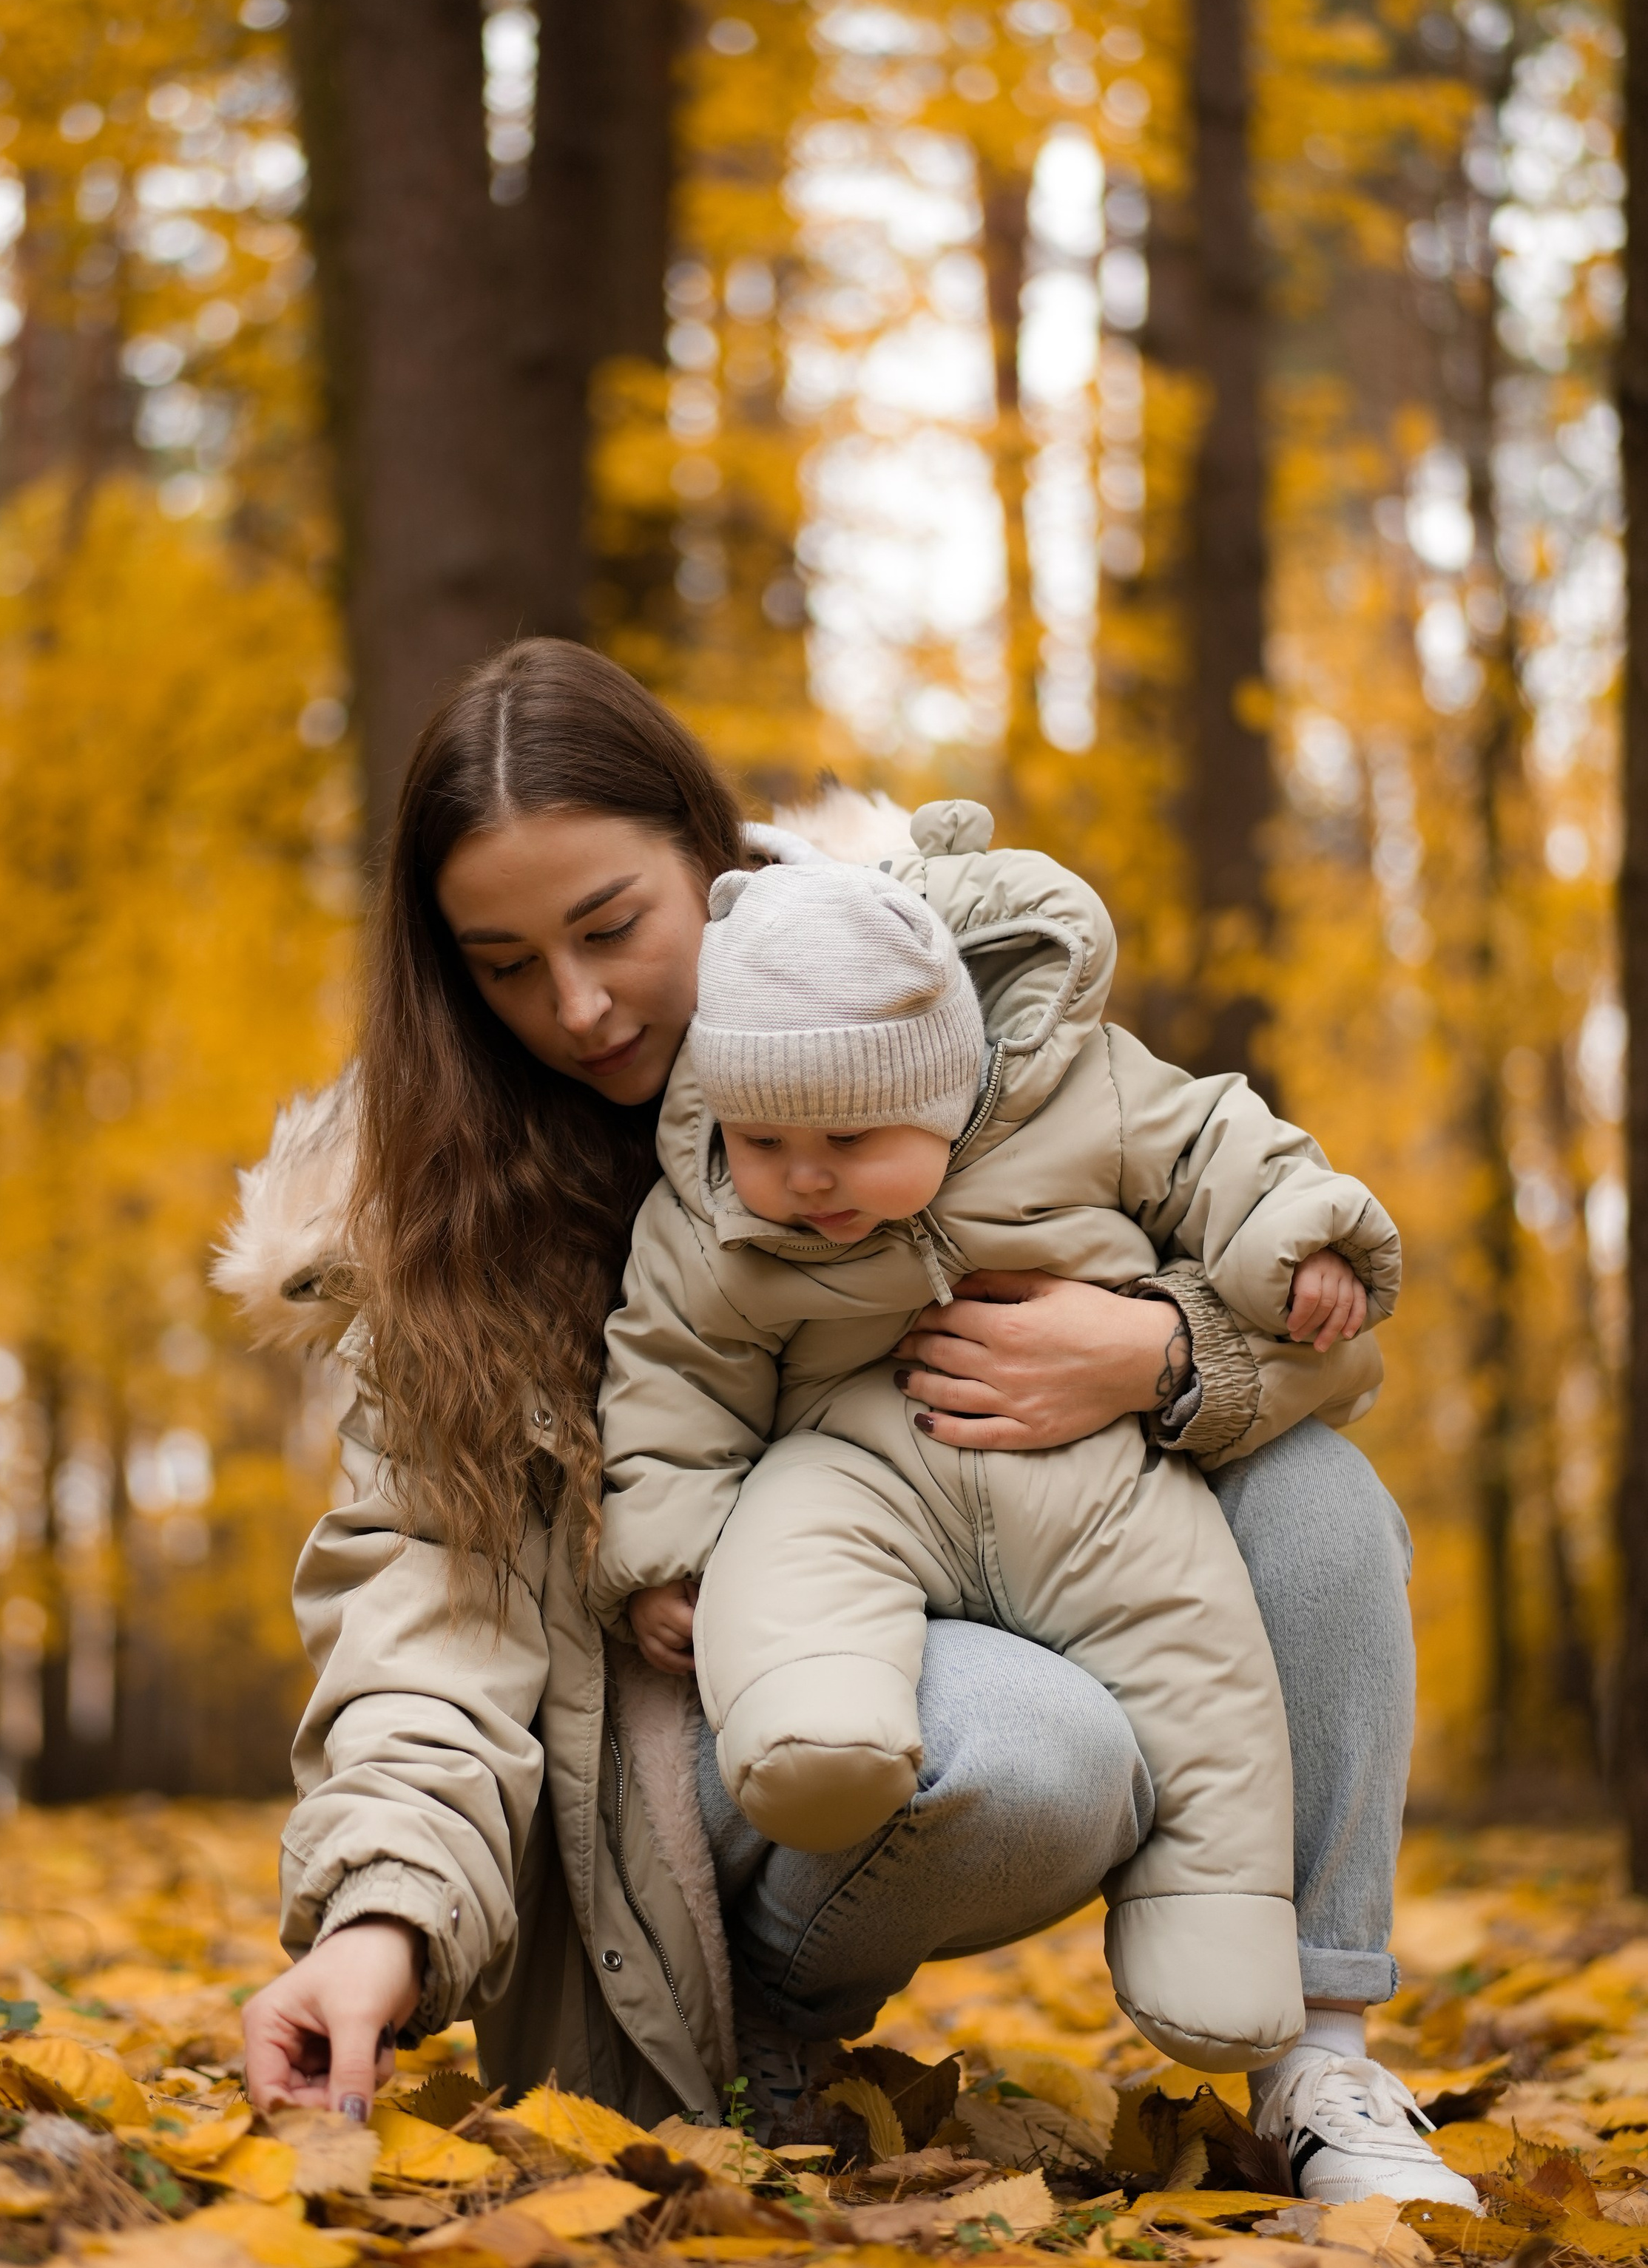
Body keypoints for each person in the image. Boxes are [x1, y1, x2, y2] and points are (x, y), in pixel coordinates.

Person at [229, 636, 1476, 2213]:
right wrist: (373, 1930)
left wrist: (1157, 1350)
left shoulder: (936, 1014)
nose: (580, 1003)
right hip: (703, 1737)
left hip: (1071, 1539)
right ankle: (762, 2022)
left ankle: (1314, 2056)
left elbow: (1315, 1306)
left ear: (711, 858)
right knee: (1035, 1752)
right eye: (503, 964)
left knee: (1316, 1499)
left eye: (611, 925)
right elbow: (426, 1607)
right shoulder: (432, 1229)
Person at [592, 818, 1394, 2077]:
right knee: (791, 1565)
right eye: (766, 1146)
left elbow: (1219, 1147)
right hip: (856, 1476)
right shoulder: (711, 1207)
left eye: (850, 1143)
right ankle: (816, 1751)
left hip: (1105, 1486)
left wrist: (1294, 1245)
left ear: (941, 1083)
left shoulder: (1082, 1098)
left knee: (1202, 1662)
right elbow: (673, 1375)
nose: (805, 1180)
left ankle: (1255, 1986)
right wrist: (668, 1552)